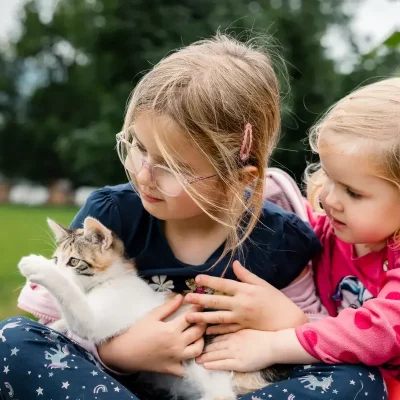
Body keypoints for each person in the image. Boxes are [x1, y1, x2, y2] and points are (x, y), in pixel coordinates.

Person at [0, 35, 385, 399]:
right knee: (11, 341)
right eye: (138, 147)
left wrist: (291, 320)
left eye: (171, 166)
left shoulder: (281, 239)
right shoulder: (110, 215)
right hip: (115, 387)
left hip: (229, 387)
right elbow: (49, 322)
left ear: (239, 177)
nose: (143, 174)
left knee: (361, 381)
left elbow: (318, 340)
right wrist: (118, 352)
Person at [188, 78, 400, 398]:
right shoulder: (333, 228)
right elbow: (289, 237)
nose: (330, 198)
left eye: (353, 192)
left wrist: (274, 344)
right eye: (329, 176)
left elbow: (381, 331)